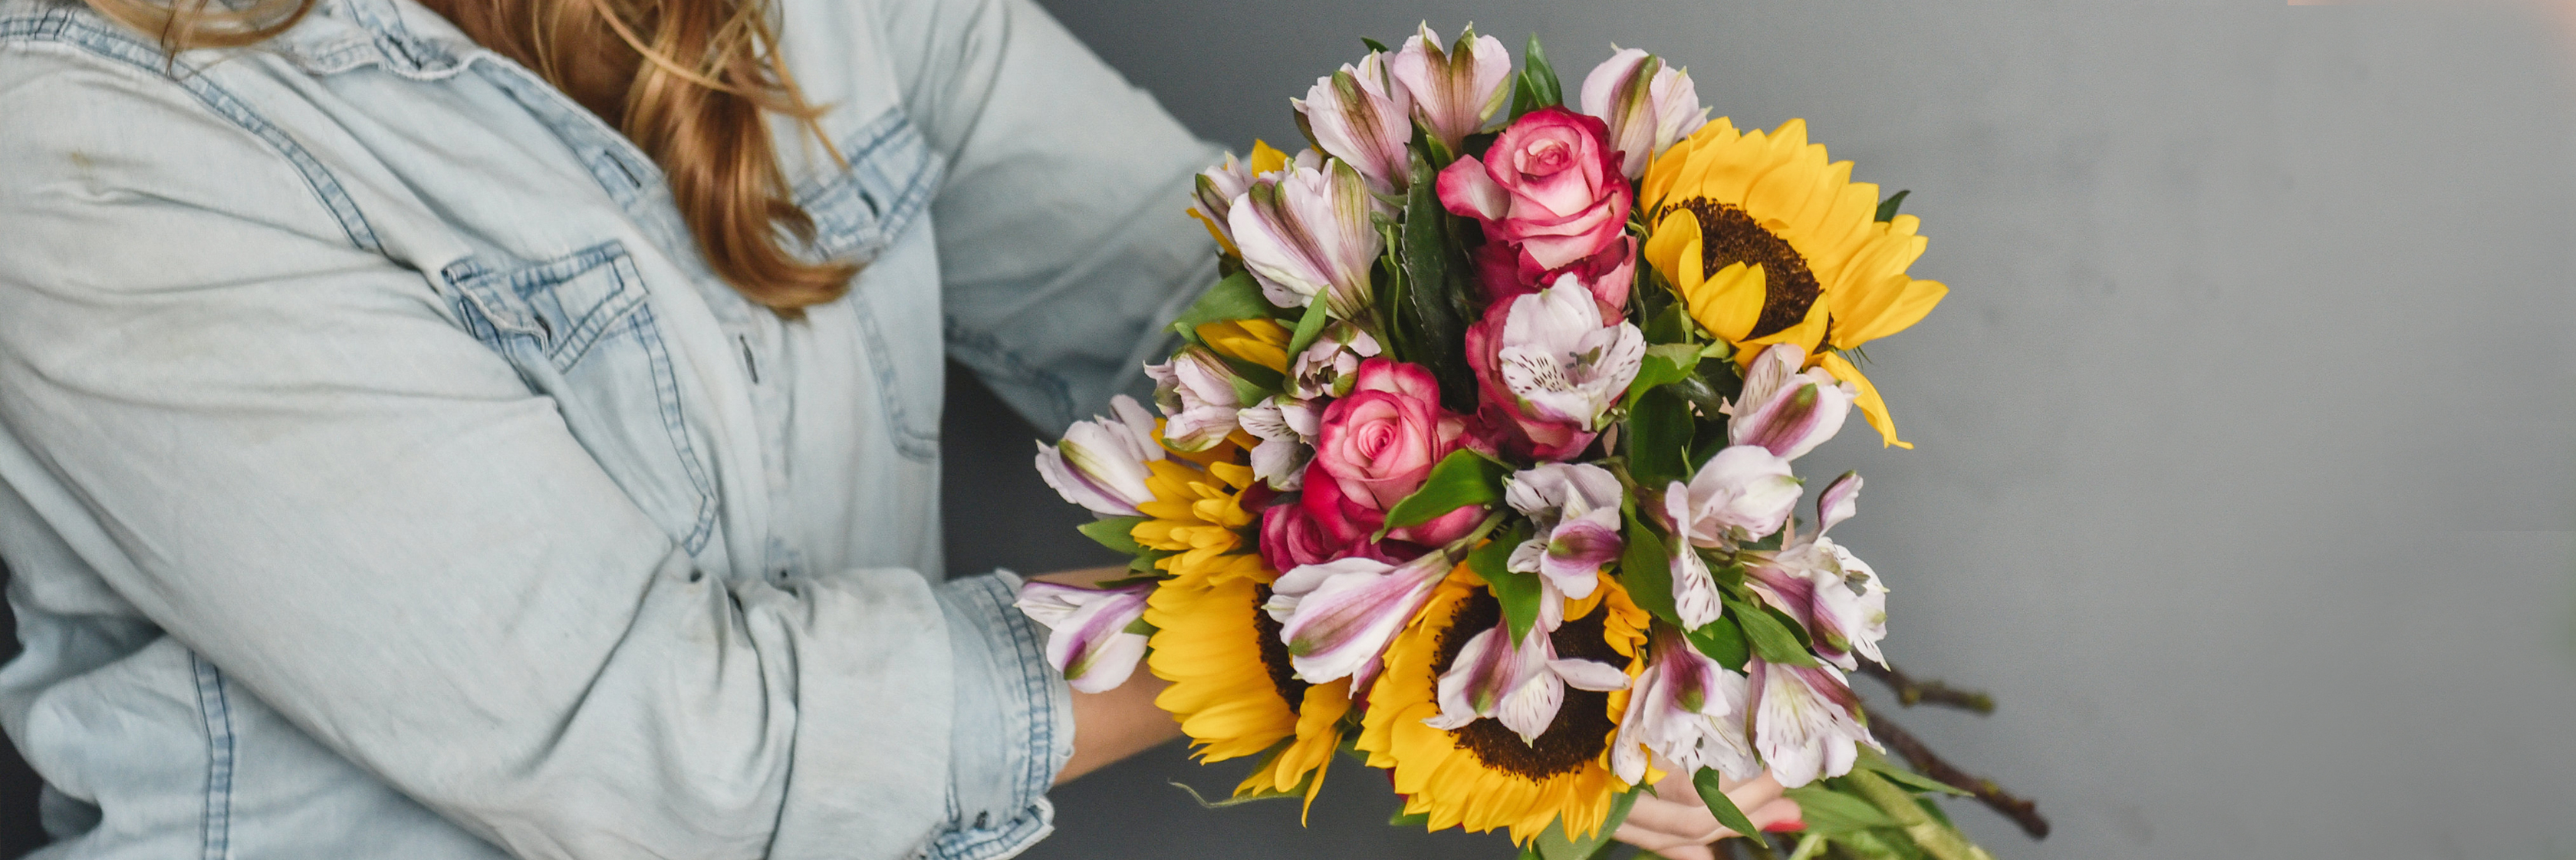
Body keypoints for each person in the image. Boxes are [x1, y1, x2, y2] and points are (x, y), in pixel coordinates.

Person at [0, 0, 1795, 855]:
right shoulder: (78, 145)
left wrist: (1615, 602)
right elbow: (677, 749)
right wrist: (1409, 632)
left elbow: (1231, 319)